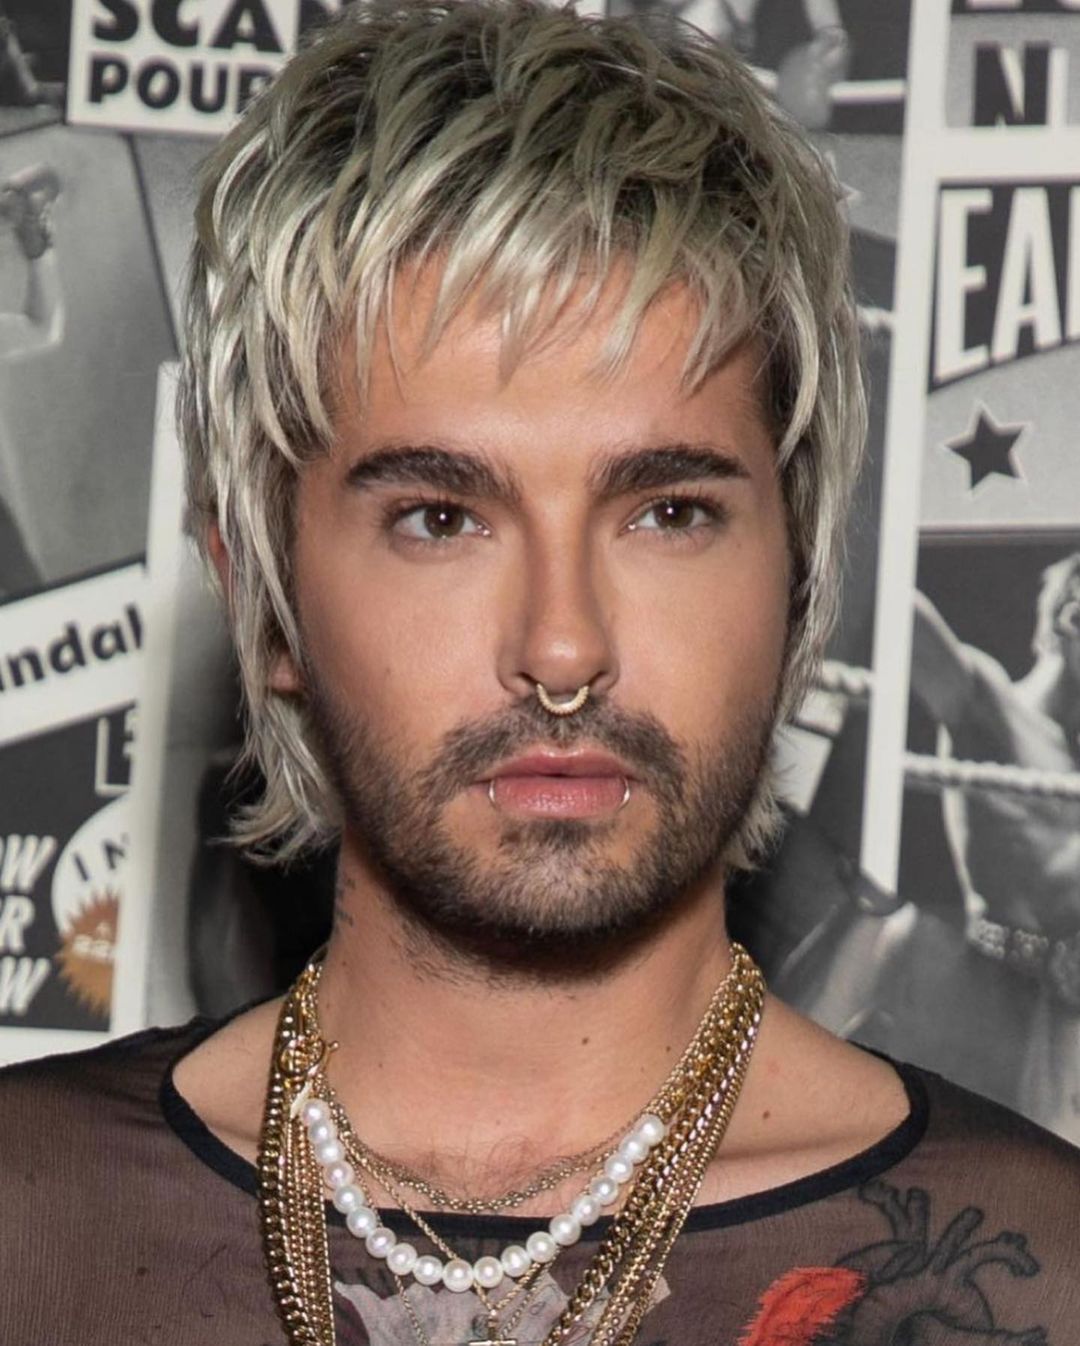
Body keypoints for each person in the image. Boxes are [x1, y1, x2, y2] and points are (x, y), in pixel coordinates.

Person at [2, 3, 1078, 1343]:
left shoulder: (1038, 1275)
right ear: (264, 596)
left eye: (668, 512)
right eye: (441, 518)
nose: (563, 647)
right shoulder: (27, 1224)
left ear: (801, 579)